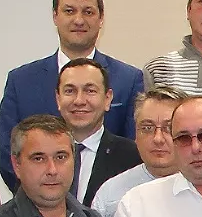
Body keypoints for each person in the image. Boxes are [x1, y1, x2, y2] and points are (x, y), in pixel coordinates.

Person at [0, 0, 144, 190]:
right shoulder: (21, 81)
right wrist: (42, 202)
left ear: (101, 18)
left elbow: (136, 155)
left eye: (88, 12)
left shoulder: (129, 79)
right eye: (69, 11)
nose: (78, 20)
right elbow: (9, 156)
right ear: (55, 16)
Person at [93, 87, 190, 217]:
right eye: (147, 128)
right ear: (135, 135)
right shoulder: (111, 194)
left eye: (169, 128)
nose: (158, 139)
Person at [56, 57, 142, 206]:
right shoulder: (39, 155)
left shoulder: (133, 157)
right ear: (58, 99)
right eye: (70, 91)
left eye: (90, 91)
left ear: (107, 99)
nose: (79, 100)